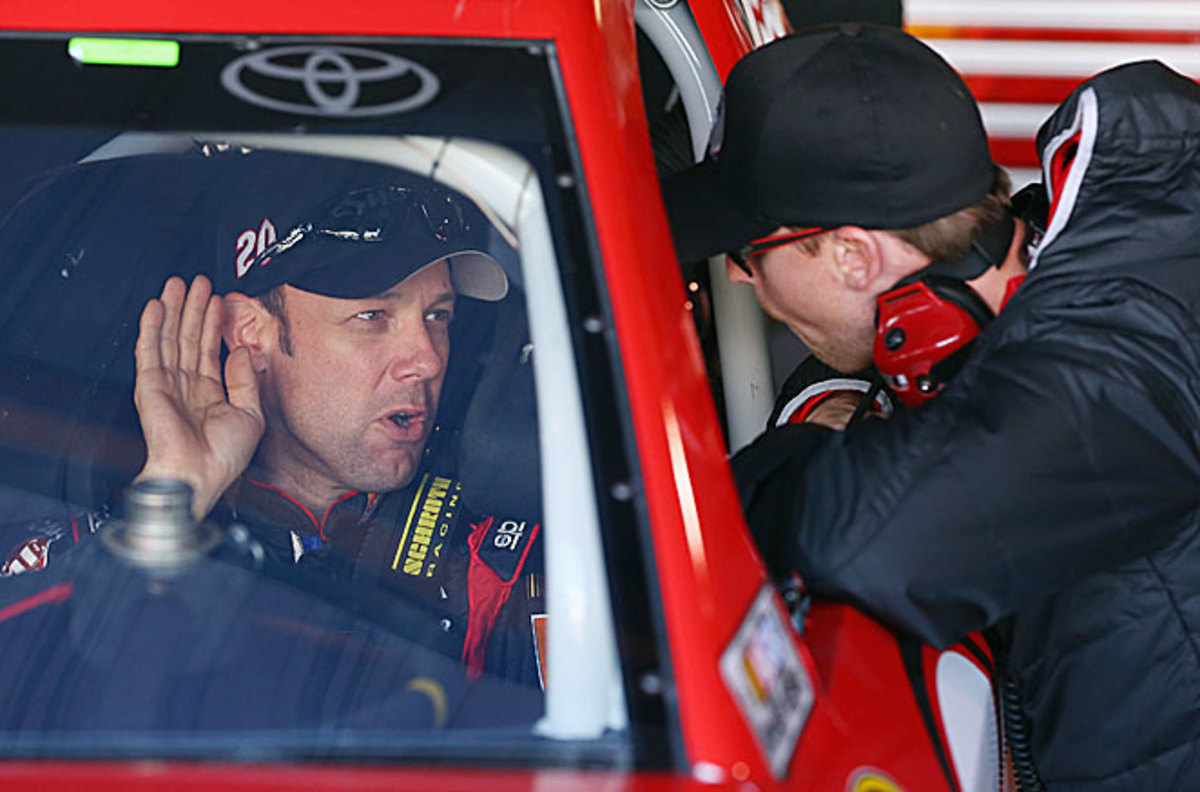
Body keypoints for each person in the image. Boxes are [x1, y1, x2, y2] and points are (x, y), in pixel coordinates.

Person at [665, 24, 1200, 790]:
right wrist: (844, 402)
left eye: (751, 253)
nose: (744, 281)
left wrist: (736, 482)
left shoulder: (1123, 351)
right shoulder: (1066, 282)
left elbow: (868, 542)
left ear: (855, 255)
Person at [4, 152, 545, 688]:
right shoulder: (108, 527)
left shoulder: (503, 538)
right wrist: (178, 491)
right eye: (372, 317)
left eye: (438, 316)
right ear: (249, 334)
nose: (427, 359)